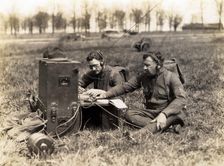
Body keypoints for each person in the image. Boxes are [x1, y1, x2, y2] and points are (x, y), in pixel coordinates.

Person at [95, 51, 187, 133]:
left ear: (158, 65)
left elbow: (181, 99)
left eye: (148, 65)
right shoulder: (144, 76)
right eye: (144, 65)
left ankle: (141, 133)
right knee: (128, 114)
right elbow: (126, 86)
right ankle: (167, 127)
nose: (144, 68)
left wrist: (164, 114)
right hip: (151, 113)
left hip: (168, 112)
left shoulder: (171, 77)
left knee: (176, 115)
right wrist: (106, 94)